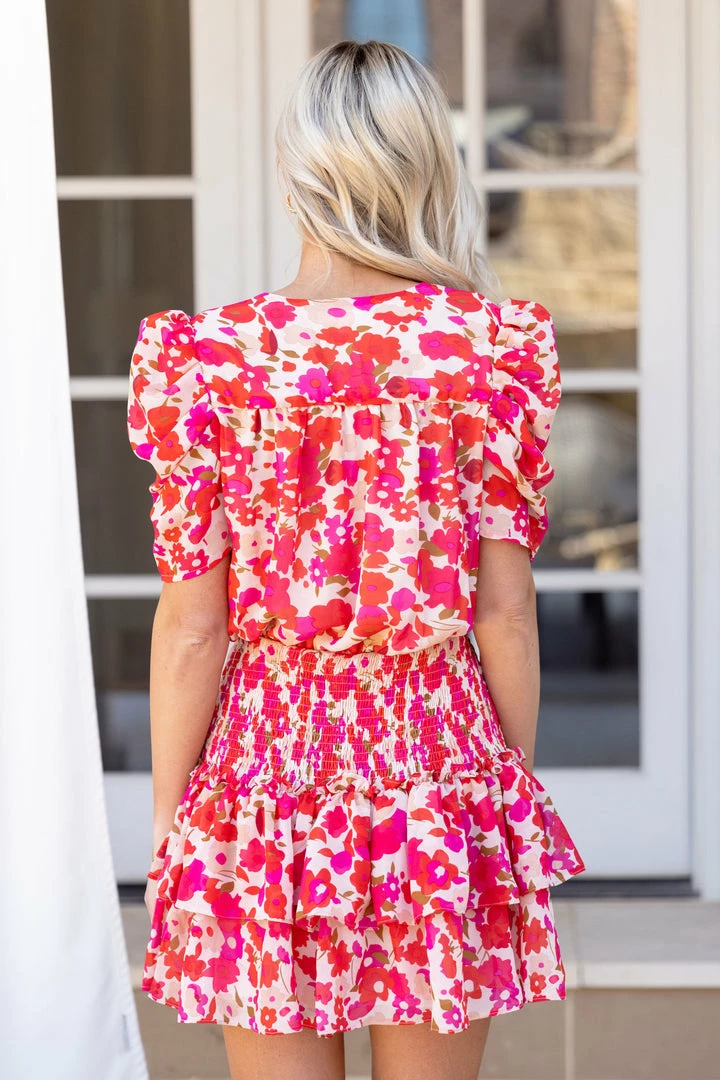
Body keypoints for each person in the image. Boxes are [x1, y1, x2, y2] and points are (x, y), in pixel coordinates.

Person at [127, 38, 585, 1080]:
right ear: (425, 169)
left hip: (265, 772)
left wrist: (167, 817)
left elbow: (193, 624)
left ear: (296, 170)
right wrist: (507, 778)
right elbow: (505, 613)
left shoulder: (212, 360)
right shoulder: (488, 351)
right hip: (436, 761)